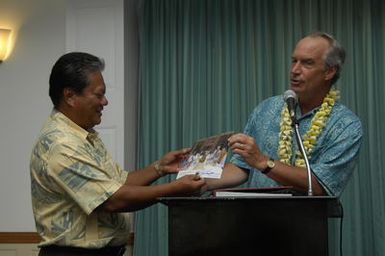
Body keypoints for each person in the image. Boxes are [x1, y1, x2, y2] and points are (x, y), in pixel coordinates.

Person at [30, 52, 206, 256]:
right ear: (70, 96)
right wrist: (174, 190)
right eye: (98, 94)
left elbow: (120, 183)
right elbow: (112, 200)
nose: (105, 102)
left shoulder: (85, 135)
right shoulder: (61, 144)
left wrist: (159, 168)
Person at [207, 32, 362, 196]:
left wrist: (263, 162)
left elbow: (320, 185)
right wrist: (199, 181)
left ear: (329, 72)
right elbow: (241, 167)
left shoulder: (346, 125)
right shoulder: (267, 108)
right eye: (294, 61)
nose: (295, 70)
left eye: (307, 63)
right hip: (254, 217)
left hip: (304, 219)